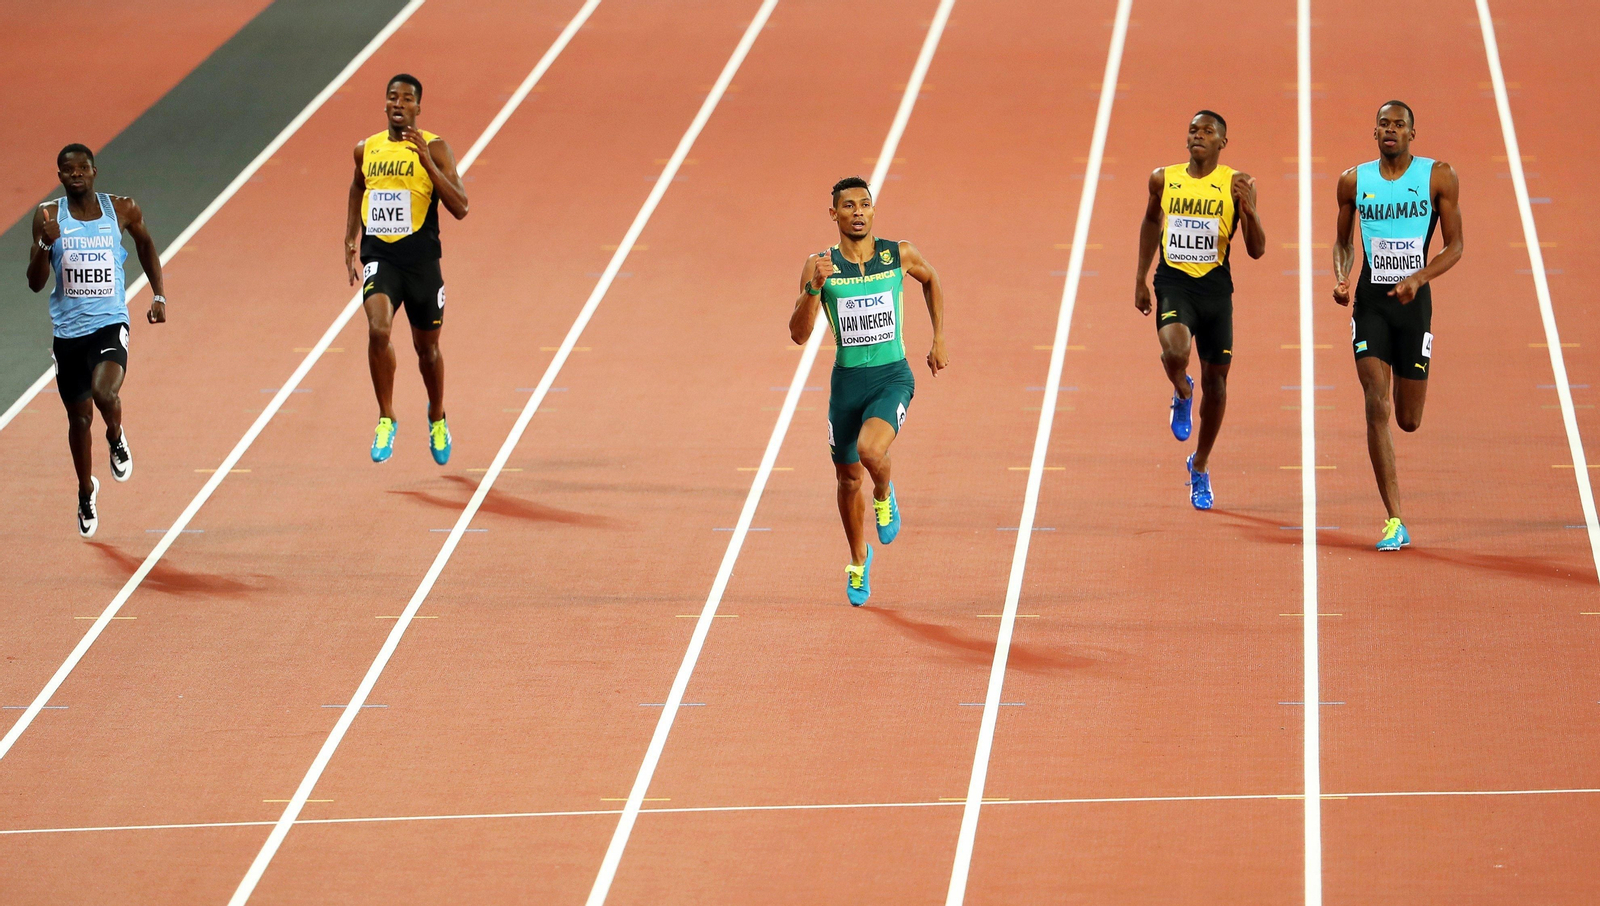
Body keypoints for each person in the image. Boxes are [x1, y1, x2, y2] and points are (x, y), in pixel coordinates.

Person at [788, 176, 948, 606]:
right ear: (834, 214)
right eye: (848, 206)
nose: (857, 212)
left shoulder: (899, 254)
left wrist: (938, 339)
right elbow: (799, 335)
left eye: (865, 204)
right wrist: (812, 290)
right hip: (846, 385)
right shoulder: (819, 265)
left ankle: (884, 495)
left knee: (871, 452)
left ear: (873, 210)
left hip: (891, 377)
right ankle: (859, 560)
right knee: (845, 478)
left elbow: (931, 279)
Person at [1332, 100, 1463, 551]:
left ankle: (1395, 515)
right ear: (1375, 134)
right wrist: (1341, 275)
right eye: (1383, 124)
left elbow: (1456, 245)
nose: (1390, 130)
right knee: (1376, 403)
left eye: (1399, 125)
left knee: (1407, 419)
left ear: (1412, 133)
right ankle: (1395, 519)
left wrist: (1419, 277)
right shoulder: (1354, 181)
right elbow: (1342, 243)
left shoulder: (1437, 177)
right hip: (1371, 302)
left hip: (1413, 305)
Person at [27, 144, 167, 537]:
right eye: (68, 170)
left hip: (109, 323)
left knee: (105, 395)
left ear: (94, 171)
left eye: (82, 168)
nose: (76, 174)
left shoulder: (121, 209)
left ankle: (117, 437)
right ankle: (86, 490)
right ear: (59, 177)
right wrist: (43, 244)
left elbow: (145, 243)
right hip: (68, 333)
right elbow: (35, 284)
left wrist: (158, 294)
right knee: (79, 419)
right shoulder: (48, 217)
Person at [1135, 110, 1265, 510]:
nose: (1198, 135)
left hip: (1215, 291)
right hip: (1174, 283)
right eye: (1193, 130)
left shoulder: (1237, 183)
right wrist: (1140, 278)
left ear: (1222, 142)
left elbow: (1257, 249)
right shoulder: (1164, 178)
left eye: (1208, 131)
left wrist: (1249, 212)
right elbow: (1151, 221)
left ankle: (1200, 465)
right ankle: (1181, 389)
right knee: (1175, 351)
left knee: (1219, 385)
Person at [345, 73, 469, 464]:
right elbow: (356, 187)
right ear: (384, 104)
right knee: (378, 329)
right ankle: (386, 416)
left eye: (407, 99)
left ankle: (436, 415)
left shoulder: (437, 147)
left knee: (426, 351)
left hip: (422, 265)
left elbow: (461, 207)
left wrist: (428, 165)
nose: (398, 103)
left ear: (418, 108)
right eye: (392, 97)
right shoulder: (367, 149)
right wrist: (350, 238)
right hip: (381, 257)